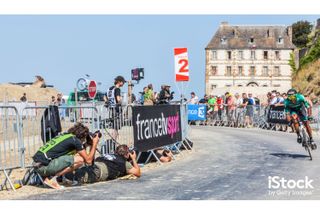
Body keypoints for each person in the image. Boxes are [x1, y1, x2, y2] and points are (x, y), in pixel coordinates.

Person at [32, 123, 100, 189]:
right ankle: (52, 179)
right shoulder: (75, 141)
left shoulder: (65, 136)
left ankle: (52, 178)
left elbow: (73, 152)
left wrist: (87, 144)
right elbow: (88, 160)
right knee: (80, 160)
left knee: (73, 158)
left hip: (37, 166)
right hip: (44, 167)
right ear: (82, 136)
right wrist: (94, 144)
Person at [71, 144, 141, 184]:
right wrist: (134, 159)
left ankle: (68, 175)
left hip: (94, 165)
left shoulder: (107, 155)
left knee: (80, 170)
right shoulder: (124, 163)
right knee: (80, 176)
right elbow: (138, 173)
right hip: (97, 172)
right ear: (126, 155)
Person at [106, 75, 126, 140]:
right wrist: (122, 101)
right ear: (119, 82)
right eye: (123, 82)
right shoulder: (117, 89)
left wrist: (108, 102)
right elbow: (118, 99)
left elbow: (104, 97)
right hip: (116, 110)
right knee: (116, 128)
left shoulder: (110, 89)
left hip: (111, 109)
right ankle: (113, 142)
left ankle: (113, 141)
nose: (123, 84)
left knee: (113, 127)